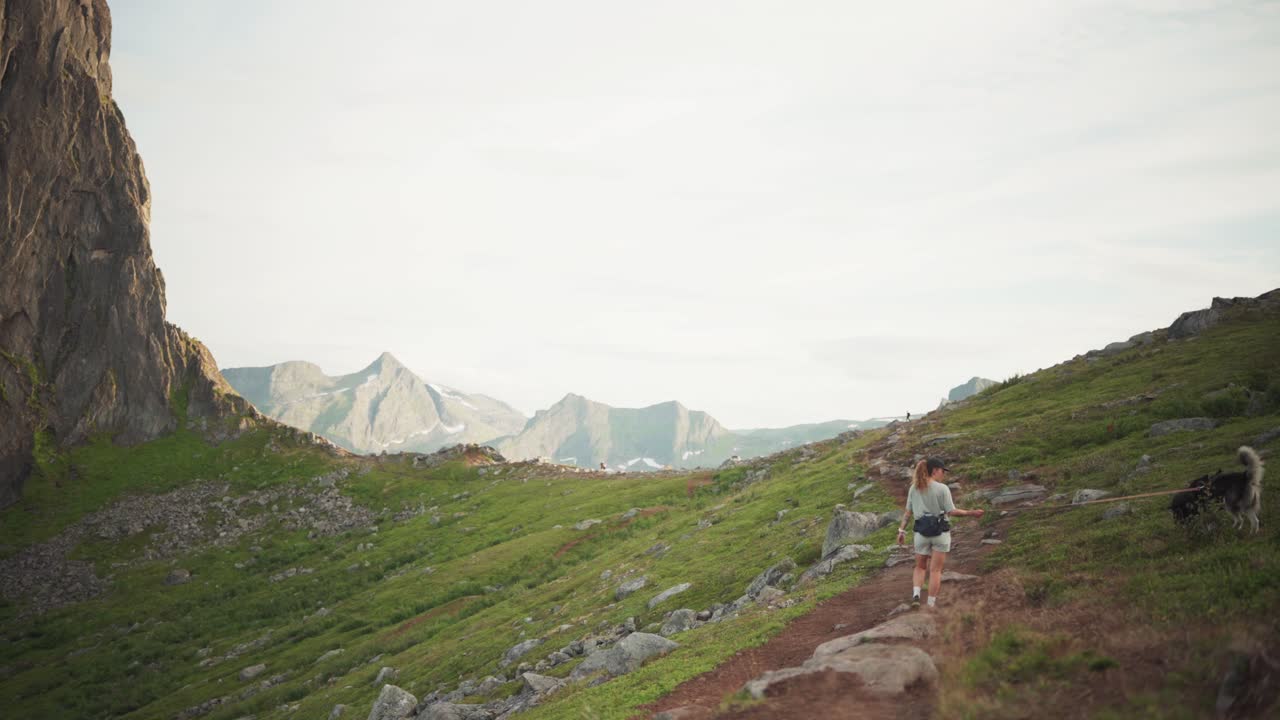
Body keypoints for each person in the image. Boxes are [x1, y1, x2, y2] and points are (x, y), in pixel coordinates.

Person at [896, 457, 983, 609]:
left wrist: (901, 530)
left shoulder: (914, 488)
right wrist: (971, 512)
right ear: (935, 470)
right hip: (940, 534)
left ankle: (916, 595)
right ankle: (930, 605)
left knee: (920, 567)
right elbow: (952, 511)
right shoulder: (942, 488)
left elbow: (908, 512)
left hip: (921, 533)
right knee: (935, 570)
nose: (943, 474)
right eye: (943, 471)